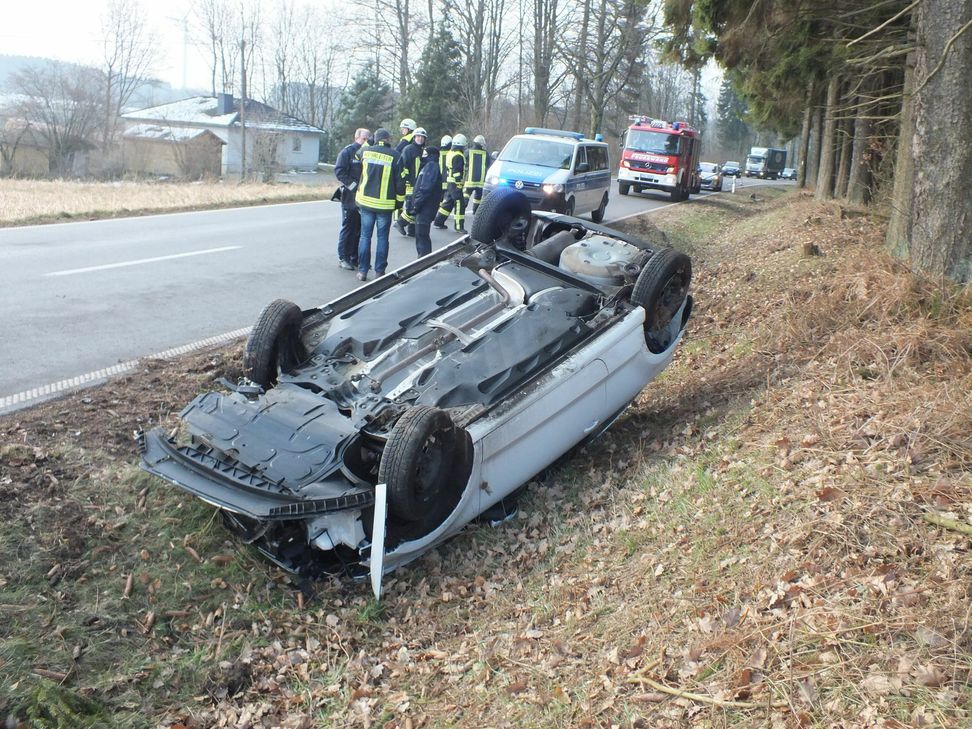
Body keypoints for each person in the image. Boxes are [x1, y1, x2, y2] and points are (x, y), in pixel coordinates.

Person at [355, 128, 405, 281]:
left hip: (365, 202)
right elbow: (400, 183)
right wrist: (399, 202)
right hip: (385, 205)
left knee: (365, 237)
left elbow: (357, 154)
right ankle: (379, 272)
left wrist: (370, 142)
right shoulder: (396, 156)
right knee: (382, 238)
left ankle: (362, 271)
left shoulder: (366, 151)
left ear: (374, 139)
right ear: (388, 139)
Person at [333, 127, 369, 270]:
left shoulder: (369, 153)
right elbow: (339, 172)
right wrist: (353, 186)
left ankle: (355, 258)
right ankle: (343, 257)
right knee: (349, 227)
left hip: (364, 197)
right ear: (356, 137)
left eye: (368, 139)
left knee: (360, 229)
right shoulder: (347, 152)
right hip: (350, 196)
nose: (365, 142)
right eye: (363, 139)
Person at [407, 146, 444, 258]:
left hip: (426, 207)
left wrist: (416, 204)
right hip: (425, 206)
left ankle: (424, 261)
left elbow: (425, 188)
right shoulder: (429, 166)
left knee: (422, 235)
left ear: (430, 155)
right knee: (420, 235)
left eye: (425, 153)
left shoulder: (431, 166)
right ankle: (423, 259)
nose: (423, 155)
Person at [395, 126, 427, 237]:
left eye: (422, 137)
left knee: (416, 205)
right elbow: (402, 166)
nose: (420, 139)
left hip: (418, 183)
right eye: (418, 136)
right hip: (410, 183)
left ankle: (412, 230)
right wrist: (406, 179)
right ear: (414, 137)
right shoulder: (409, 149)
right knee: (412, 205)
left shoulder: (422, 151)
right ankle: (400, 223)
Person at [434, 133, 467, 232]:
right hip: (455, 184)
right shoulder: (458, 156)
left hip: (449, 183)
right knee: (460, 204)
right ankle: (459, 226)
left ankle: (438, 221)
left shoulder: (450, 153)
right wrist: (459, 183)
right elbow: (457, 171)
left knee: (448, 203)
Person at [464, 134, 488, 215]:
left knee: (466, 194)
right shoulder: (485, 153)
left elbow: (463, 163)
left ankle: (462, 207)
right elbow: (488, 164)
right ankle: (475, 211)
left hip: (470, 180)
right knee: (478, 197)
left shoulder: (468, 152)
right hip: (480, 181)